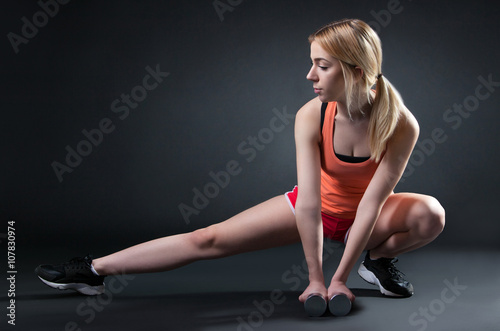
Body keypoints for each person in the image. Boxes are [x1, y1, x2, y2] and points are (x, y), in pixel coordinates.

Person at [36, 19, 445, 309]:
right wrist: (317, 278)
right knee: (207, 238)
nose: (309, 75)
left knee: (430, 214)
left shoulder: (400, 123)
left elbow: (373, 203)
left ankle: (376, 261)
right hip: (314, 206)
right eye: (312, 63)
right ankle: (93, 270)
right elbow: (308, 203)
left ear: (355, 72)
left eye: (322, 65)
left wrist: (341, 277)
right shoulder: (312, 116)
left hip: (369, 216)